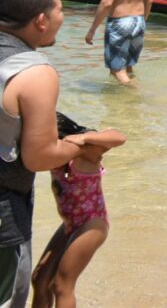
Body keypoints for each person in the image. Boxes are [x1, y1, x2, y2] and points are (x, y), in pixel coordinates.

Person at [0, 0, 86, 308]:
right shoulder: (34, 72)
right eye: (60, 10)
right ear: (40, 20)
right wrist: (84, 143)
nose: (62, 18)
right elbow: (39, 157)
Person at [31, 114, 126, 308]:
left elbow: (119, 137)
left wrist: (85, 137)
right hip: (70, 224)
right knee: (39, 279)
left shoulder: (85, 149)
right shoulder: (53, 154)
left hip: (92, 223)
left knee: (62, 285)